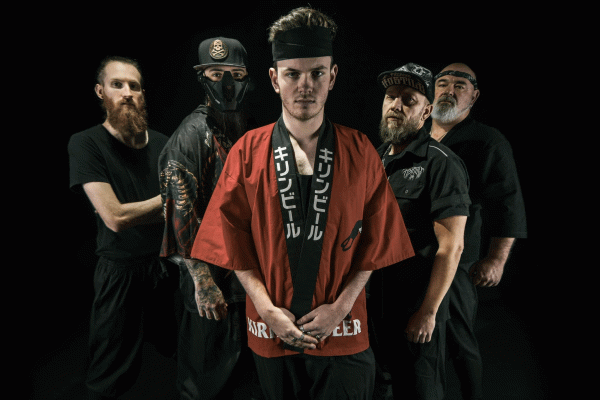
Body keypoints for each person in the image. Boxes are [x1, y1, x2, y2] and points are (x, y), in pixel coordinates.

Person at [189, 7, 414, 400]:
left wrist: (341, 308)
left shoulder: (360, 150)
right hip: (271, 328)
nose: (305, 86)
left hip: (343, 328)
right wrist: (266, 309)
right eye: (293, 74)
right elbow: (232, 241)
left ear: (333, 77)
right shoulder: (247, 152)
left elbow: (377, 241)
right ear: (274, 79)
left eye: (317, 73)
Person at [158, 37, 262, 400]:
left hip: (244, 277)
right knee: (206, 377)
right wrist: (203, 283)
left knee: (243, 376)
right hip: (212, 280)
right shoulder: (191, 135)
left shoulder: (244, 125)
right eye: (217, 74)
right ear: (203, 78)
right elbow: (180, 215)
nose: (227, 84)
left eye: (236, 74)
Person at [68, 56, 176, 400]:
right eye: (117, 84)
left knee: (181, 357)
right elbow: (115, 217)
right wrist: (171, 202)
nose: (127, 92)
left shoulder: (164, 143)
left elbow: (188, 213)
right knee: (108, 376)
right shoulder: (86, 143)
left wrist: (169, 208)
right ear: (101, 92)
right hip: (119, 273)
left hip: (165, 268)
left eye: (134, 86)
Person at [370, 63, 471, 400]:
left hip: (415, 310)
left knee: (418, 391)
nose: (396, 105)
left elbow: (452, 247)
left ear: (427, 111)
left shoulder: (441, 163)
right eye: (390, 97)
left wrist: (428, 313)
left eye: (408, 100)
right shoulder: (377, 159)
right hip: (376, 306)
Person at [429, 63, 527, 400]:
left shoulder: (487, 141)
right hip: (413, 256)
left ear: (474, 96)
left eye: (460, 85)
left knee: (458, 340)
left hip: (458, 259)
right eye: (442, 83)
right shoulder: (416, 138)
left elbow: (507, 203)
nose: (449, 90)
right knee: (415, 338)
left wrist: (496, 260)